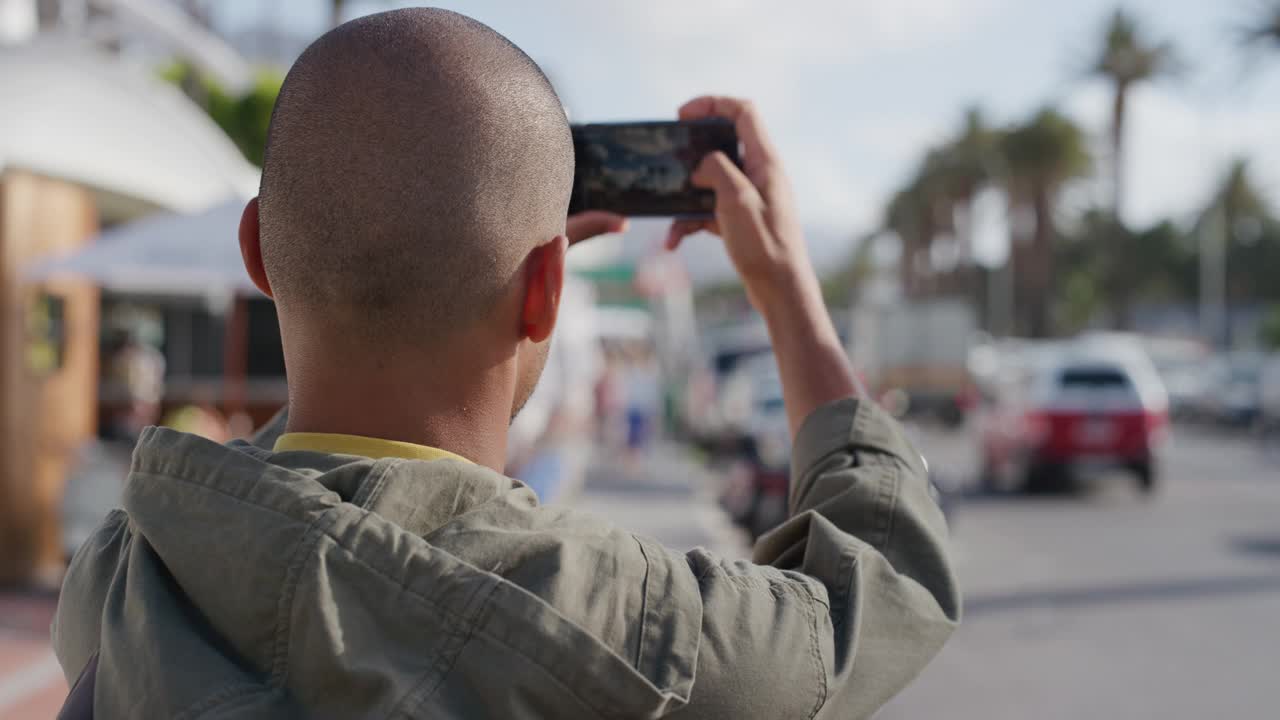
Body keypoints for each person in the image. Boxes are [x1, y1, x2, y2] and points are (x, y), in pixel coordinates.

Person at [52, 8, 958, 719]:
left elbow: (299, 505)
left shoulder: (128, 571)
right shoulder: (634, 631)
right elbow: (882, 583)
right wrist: (786, 285)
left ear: (256, 254)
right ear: (547, 293)